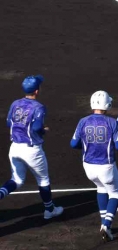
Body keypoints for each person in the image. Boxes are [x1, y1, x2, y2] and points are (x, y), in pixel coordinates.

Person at [0, 75, 63, 220]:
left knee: (17, 180)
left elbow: (9, 123)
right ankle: (50, 210)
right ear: (36, 91)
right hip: (31, 150)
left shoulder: (15, 103)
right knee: (43, 180)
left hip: (15, 148)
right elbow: (36, 127)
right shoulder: (38, 107)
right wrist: (43, 130)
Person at [70, 91, 118, 241]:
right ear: (107, 104)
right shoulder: (112, 122)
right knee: (115, 194)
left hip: (88, 167)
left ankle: (103, 222)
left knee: (101, 189)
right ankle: (106, 224)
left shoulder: (82, 121)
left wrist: (86, 145)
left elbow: (73, 144)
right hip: (106, 167)